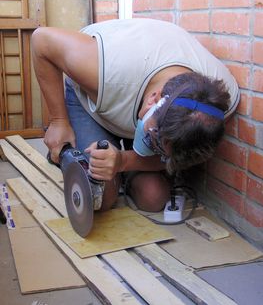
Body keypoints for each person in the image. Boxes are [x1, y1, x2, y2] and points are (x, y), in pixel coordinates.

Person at [32, 18, 240, 212]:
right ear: (153, 99)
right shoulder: (102, 68)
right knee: (102, 198)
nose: (154, 149)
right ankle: (71, 156)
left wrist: (121, 161)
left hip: (132, 105)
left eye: (161, 149)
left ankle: (119, 170)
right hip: (96, 100)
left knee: (153, 197)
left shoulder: (216, 111)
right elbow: (41, 40)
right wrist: (59, 121)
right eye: (153, 141)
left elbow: (176, 157)